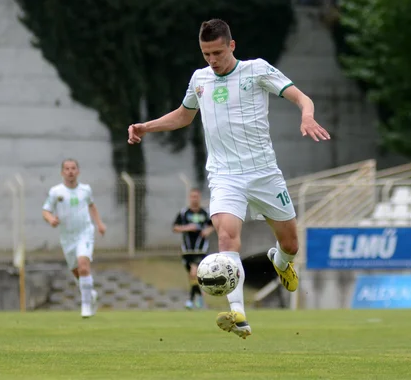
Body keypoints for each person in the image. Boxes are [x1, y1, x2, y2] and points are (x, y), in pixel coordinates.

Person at [127, 19, 330, 338]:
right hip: (225, 176)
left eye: (218, 52)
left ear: (231, 46)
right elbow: (183, 116)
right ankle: (238, 314)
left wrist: (307, 116)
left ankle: (279, 260)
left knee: (290, 243)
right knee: (225, 238)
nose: (212, 59)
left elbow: (302, 98)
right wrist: (145, 127)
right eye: (206, 53)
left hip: (264, 174)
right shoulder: (200, 79)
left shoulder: (257, 70)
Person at [42, 159, 107, 318]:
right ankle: (90, 294)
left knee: (83, 265)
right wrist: (51, 220)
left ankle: (86, 306)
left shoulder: (85, 190)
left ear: (78, 171)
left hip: (84, 233)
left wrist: (99, 223)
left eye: (73, 168)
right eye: (67, 168)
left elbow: (92, 205)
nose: (70, 171)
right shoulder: (56, 192)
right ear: (62, 172)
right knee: (77, 271)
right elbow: (46, 210)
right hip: (67, 237)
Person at [173, 188, 214, 310]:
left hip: (200, 249)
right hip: (187, 249)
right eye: (192, 196)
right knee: (192, 276)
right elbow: (175, 227)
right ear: (189, 198)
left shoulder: (205, 213)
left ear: (199, 197)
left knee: (194, 272)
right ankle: (199, 294)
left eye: (196, 196)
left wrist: (208, 231)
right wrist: (187, 227)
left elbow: (213, 225)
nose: (194, 199)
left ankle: (191, 300)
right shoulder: (184, 213)